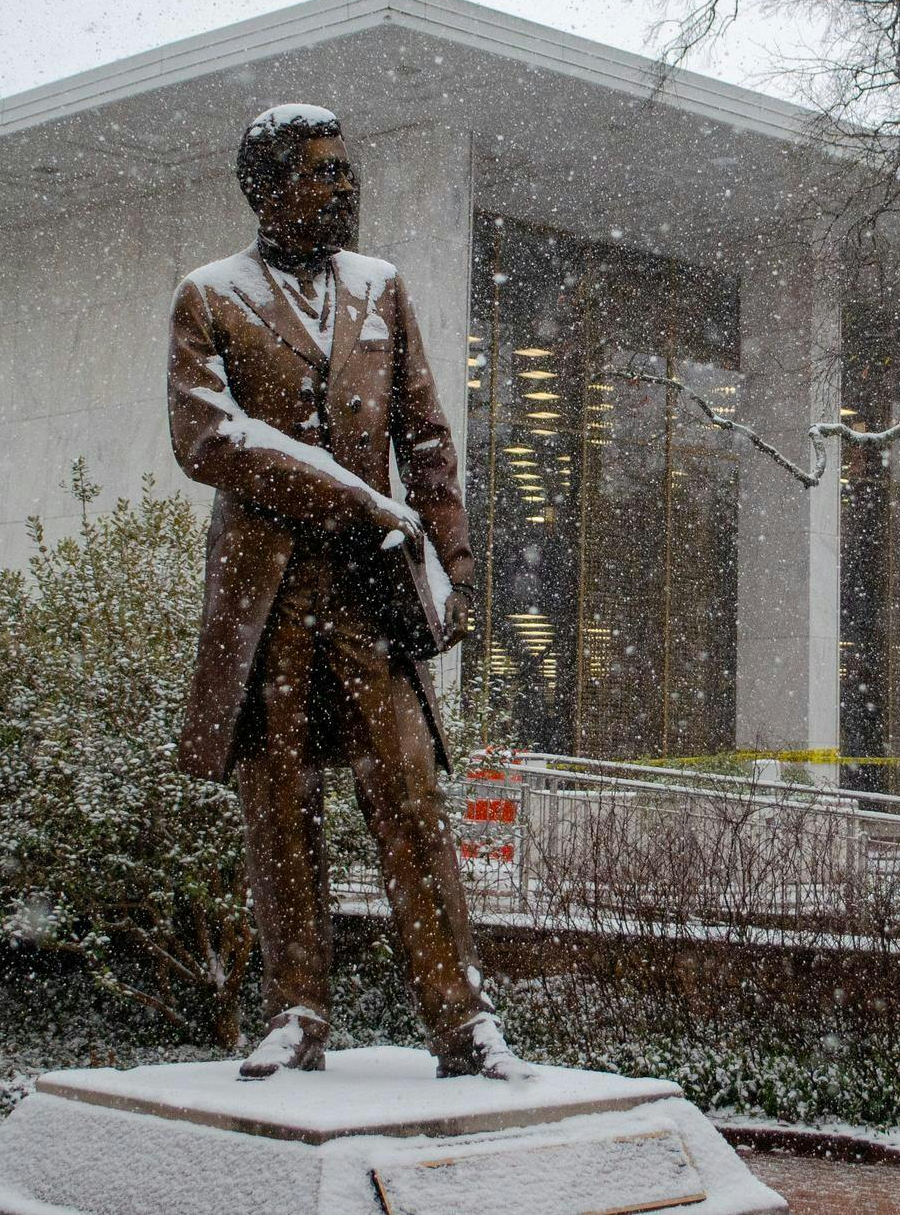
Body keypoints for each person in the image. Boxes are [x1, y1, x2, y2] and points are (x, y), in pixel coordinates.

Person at [166, 104, 529, 1081]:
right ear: (266, 187)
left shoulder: (380, 289)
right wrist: (351, 492)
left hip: (371, 596)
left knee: (409, 798)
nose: (343, 187)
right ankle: (296, 1011)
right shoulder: (209, 296)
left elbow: (426, 436)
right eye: (322, 173)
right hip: (267, 601)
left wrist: (455, 563)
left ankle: (461, 1019)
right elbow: (210, 439)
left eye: (345, 170)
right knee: (280, 811)